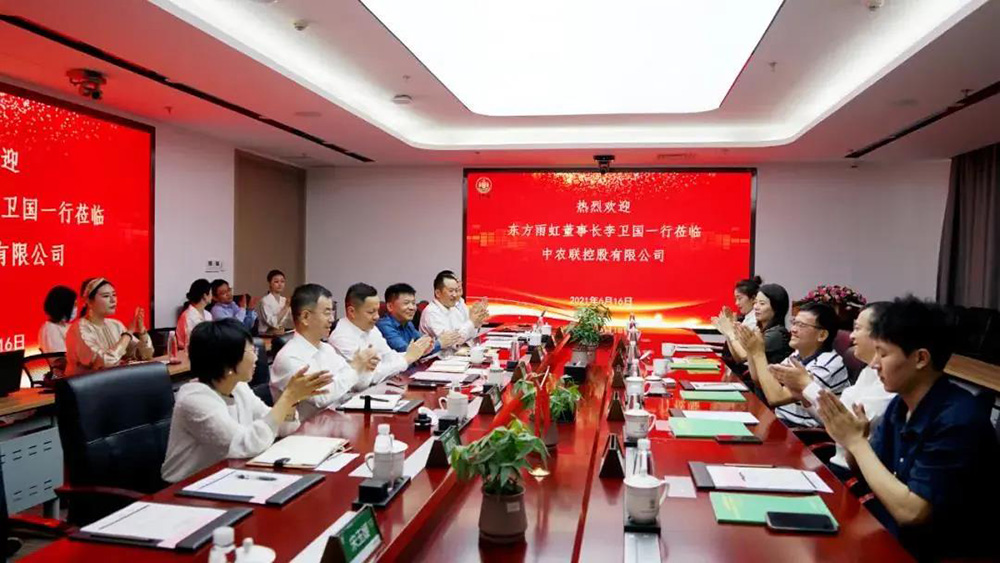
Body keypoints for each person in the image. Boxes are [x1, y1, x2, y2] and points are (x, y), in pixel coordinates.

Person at [816, 296, 999, 560]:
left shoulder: (958, 419)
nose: (875, 363)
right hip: (886, 533)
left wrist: (856, 443)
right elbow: (870, 472)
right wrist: (852, 442)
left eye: (883, 354)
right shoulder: (901, 405)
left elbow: (912, 512)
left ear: (921, 358)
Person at [161, 319, 331, 483]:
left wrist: (292, 400)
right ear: (227, 361)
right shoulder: (195, 399)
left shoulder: (238, 387)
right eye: (251, 351)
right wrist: (287, 397)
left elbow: (282, 427)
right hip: (185, 488)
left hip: (229, 476)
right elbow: (246, 444)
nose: (256, 358)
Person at [811, 302, 896, 477]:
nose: (851, 336)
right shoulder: (868, 370)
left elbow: (843, 423)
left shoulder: (892, 384)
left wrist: (805, 386)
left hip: (851, 475)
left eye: (857, 328)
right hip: (840, 465)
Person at [270, 284, 379, 419]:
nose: (332, 319)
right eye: (327, 313)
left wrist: (365, 368)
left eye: (332, 312)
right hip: (306, 429)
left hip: (336, 421)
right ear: (305, 317)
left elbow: (355, 385)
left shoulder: (327, 349)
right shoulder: (290, 358)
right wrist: (355, 368)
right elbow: (322, 397)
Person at [737, 302, 847, 427]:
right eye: (794, 323)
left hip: (801, 432)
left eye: (801, 325)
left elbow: (775, 398)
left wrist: (758, 353)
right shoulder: (798, 354)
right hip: (779, 421)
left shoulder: (828, 365)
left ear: (822, 335)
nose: (793, 329)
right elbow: (760, 381)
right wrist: (751, 350)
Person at [330, 283, 434, 386]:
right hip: (357, 394)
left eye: (377, 311)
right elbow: (369, 378)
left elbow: (388, 356)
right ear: (352, 311)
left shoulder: (371, 329)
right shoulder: (341, 337)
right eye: (371, 312)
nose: (377, 317)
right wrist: (407, 358)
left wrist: (417, 352)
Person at [65, 278, 153, 375]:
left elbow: (146, 355)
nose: (113, 300)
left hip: (114, 380)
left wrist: (142, 330)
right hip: (87, 383)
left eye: (114, 295)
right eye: (106, 296)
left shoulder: (116, 325)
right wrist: (128, 333)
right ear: (89, 301)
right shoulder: (79, 329)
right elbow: (106, 363)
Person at [377, 283, 463, 355]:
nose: (412, 308)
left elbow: (423, 341)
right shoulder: (384, 326)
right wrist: (440, 343)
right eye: (406, 303)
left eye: (413, 303)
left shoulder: (408, 323)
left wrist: (433, 343)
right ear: (390, 306)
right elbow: (407, 351)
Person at [419, 270, 488, 346]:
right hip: (441, 354)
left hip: (458, 352)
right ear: (438, 293)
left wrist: (476, 323)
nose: (455, 294)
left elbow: (468, 336)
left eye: (456, 290)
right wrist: (472, 322)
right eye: (451, 291)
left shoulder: (453, 308)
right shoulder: (431, 312)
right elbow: (453, 343)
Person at [714, 276, 763, 371]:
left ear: (753, 298)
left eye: (739, 298)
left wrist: (730, 331)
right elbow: (737, 358)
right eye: (735, 299)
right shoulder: (747, 318)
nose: (736, 303)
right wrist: (728, 331)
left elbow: (743, 356)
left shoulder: (754, 320)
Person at [38, 285, 77, 353]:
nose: (76, 308)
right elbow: (59, 357)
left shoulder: (65, 326)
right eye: (74, 305)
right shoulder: (51, 330)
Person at [176, 279, 213, 349]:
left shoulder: (208, 314)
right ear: (205, 296)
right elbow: (189, 342)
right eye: (211, 293)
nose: (212, 296)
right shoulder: (188, 316)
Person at [256, 269, 293, 334]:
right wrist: (286, 307)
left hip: (281, 333)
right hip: (266, 335)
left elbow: (291, 318)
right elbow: (272, 323)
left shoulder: (284, 300)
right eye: (276, 281)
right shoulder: (265, 301)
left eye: (282, 281)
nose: (280, 284)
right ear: (269, 283)